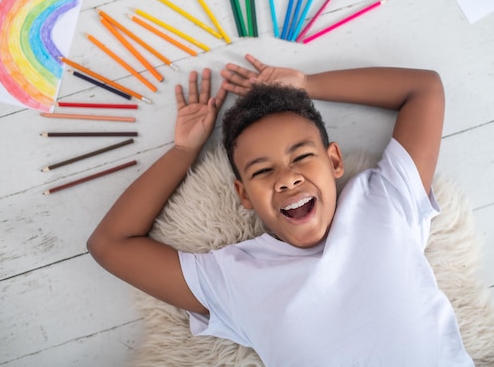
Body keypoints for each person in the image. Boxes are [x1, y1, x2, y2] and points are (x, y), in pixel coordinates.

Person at [87, 54, 474, 366]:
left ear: (334, 160)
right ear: (243, 194)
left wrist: (308, 85)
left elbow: (423, 88)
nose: (287, 179)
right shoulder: (234, 278)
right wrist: (183, 151)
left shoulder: (384, 201)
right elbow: (111, 244)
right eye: (262, 171)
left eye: (302, 157)